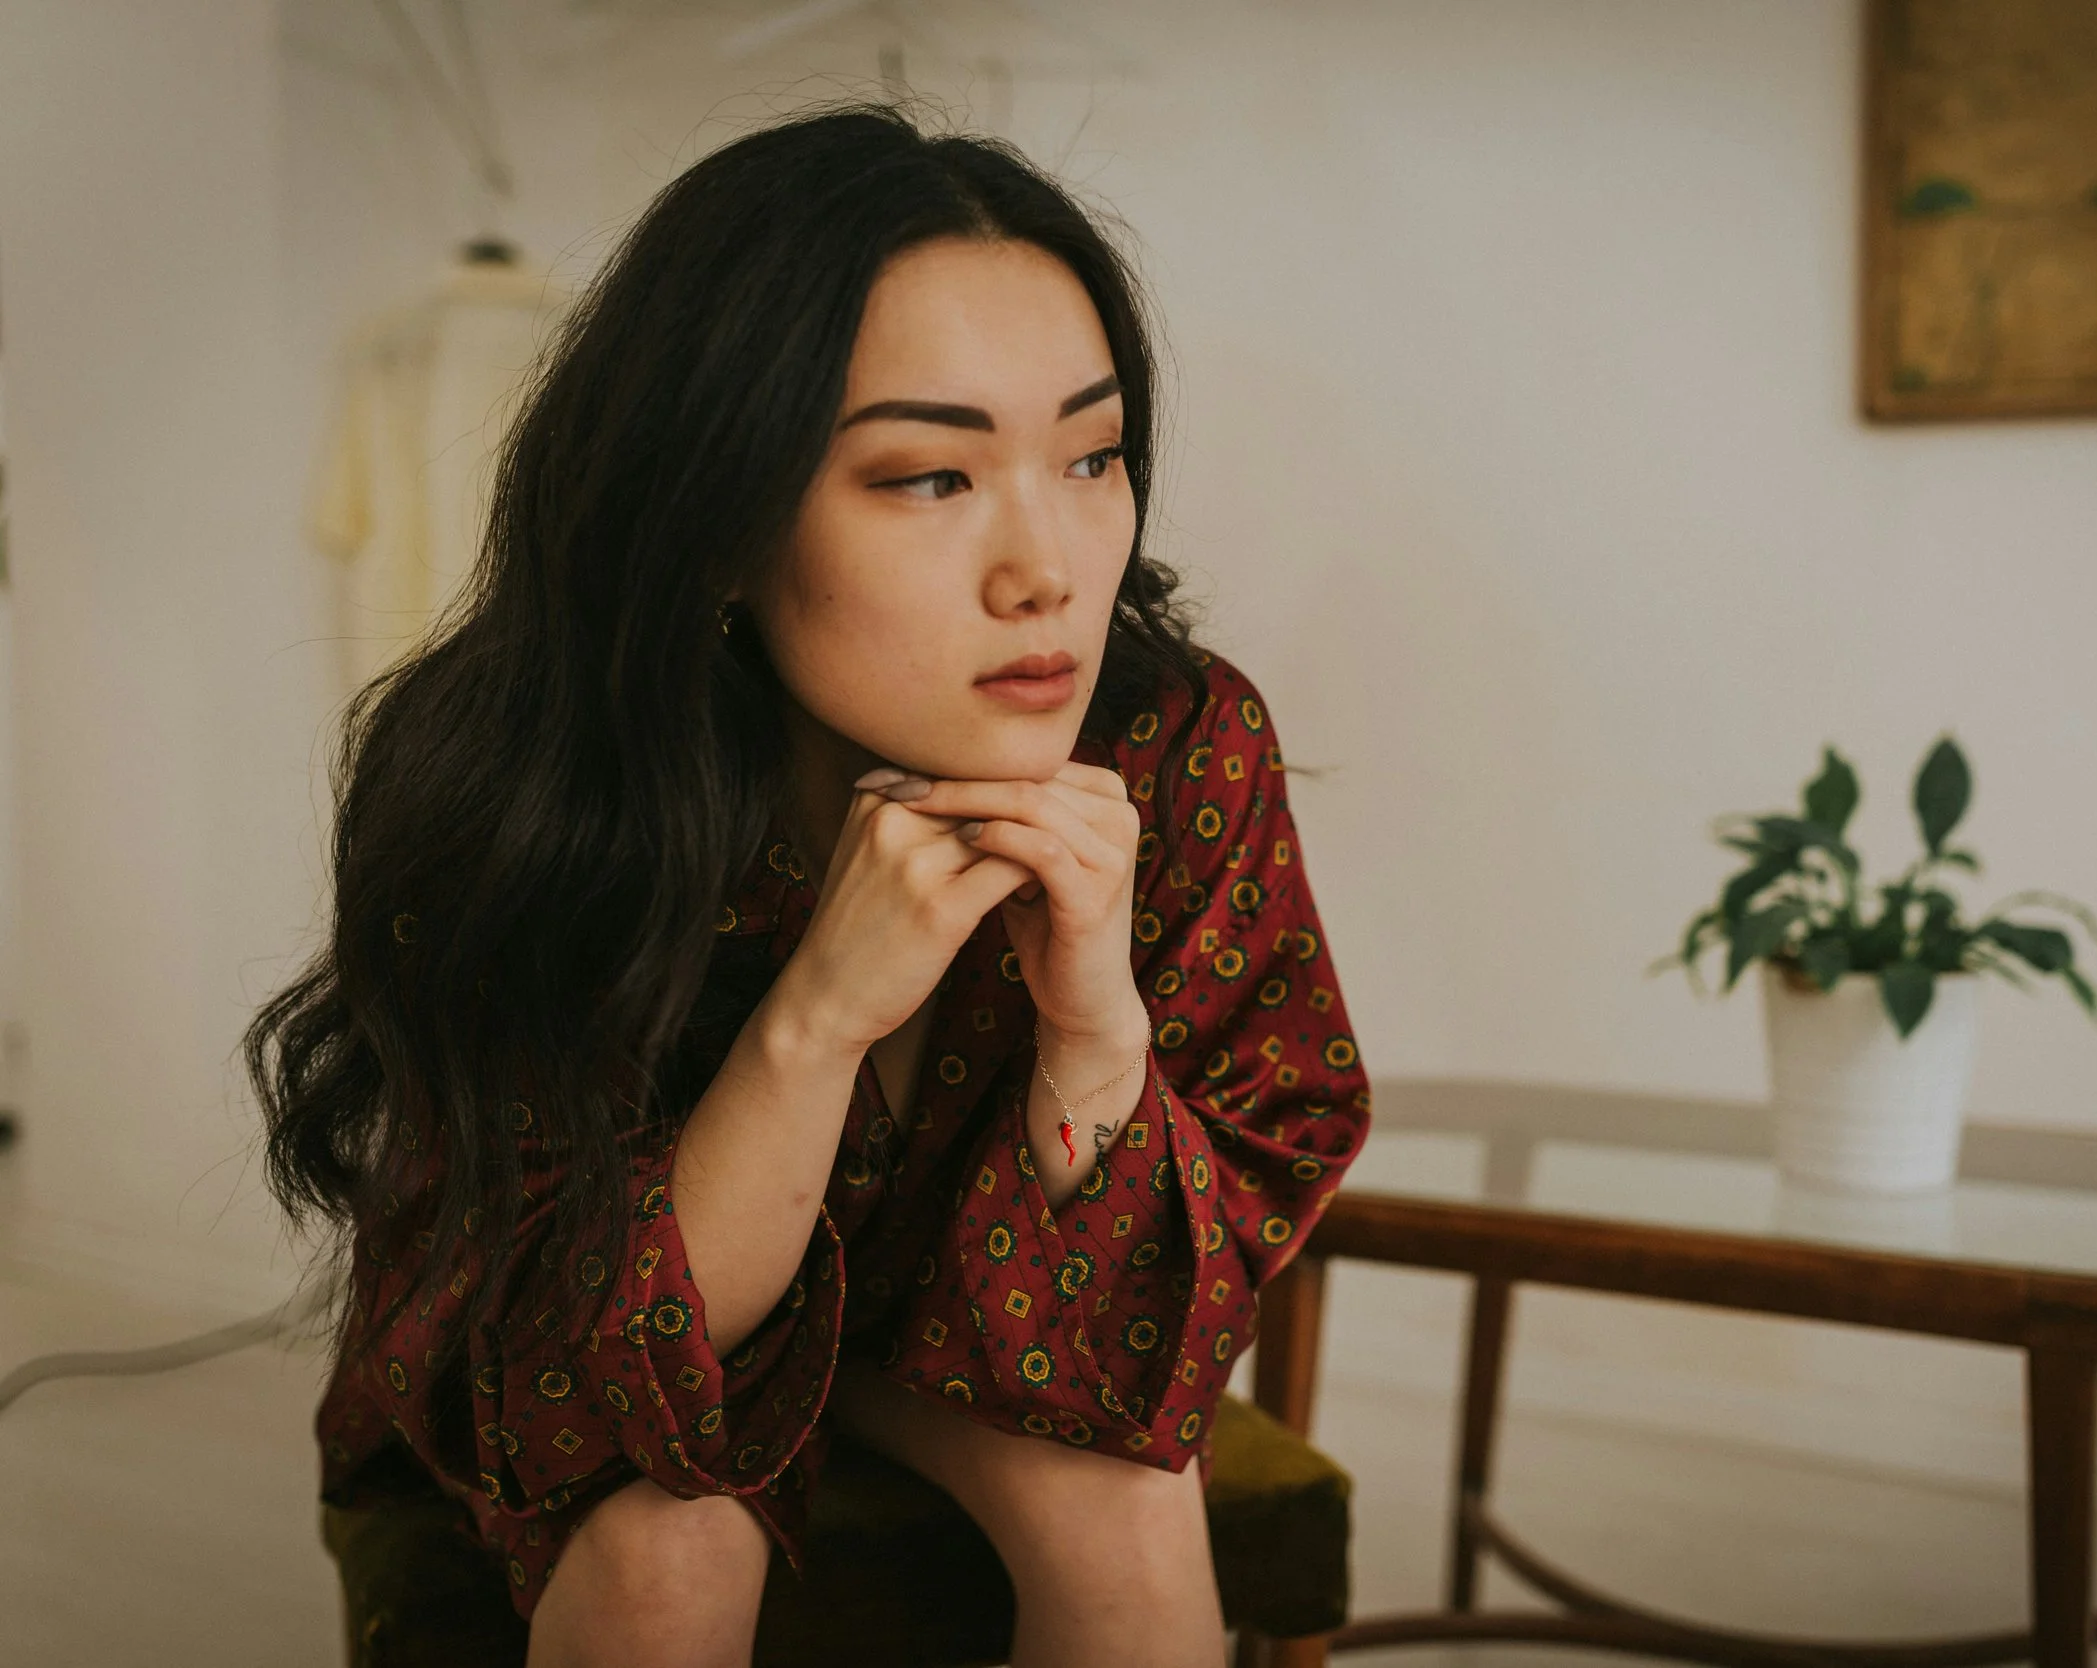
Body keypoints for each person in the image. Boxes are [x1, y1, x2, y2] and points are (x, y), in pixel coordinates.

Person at [248, 104, 1369, 1668]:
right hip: (600, 1324)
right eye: (928, 478)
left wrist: (1097, 1030)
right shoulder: (520, 775)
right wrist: (819, 1016)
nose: (1046, 564)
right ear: (716, 514)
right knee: (661, 1546)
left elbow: (1137, 1348)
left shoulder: (1174, 748)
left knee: (1129, 1509)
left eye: (1094, 454)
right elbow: (589, 1364)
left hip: (972, 1330)